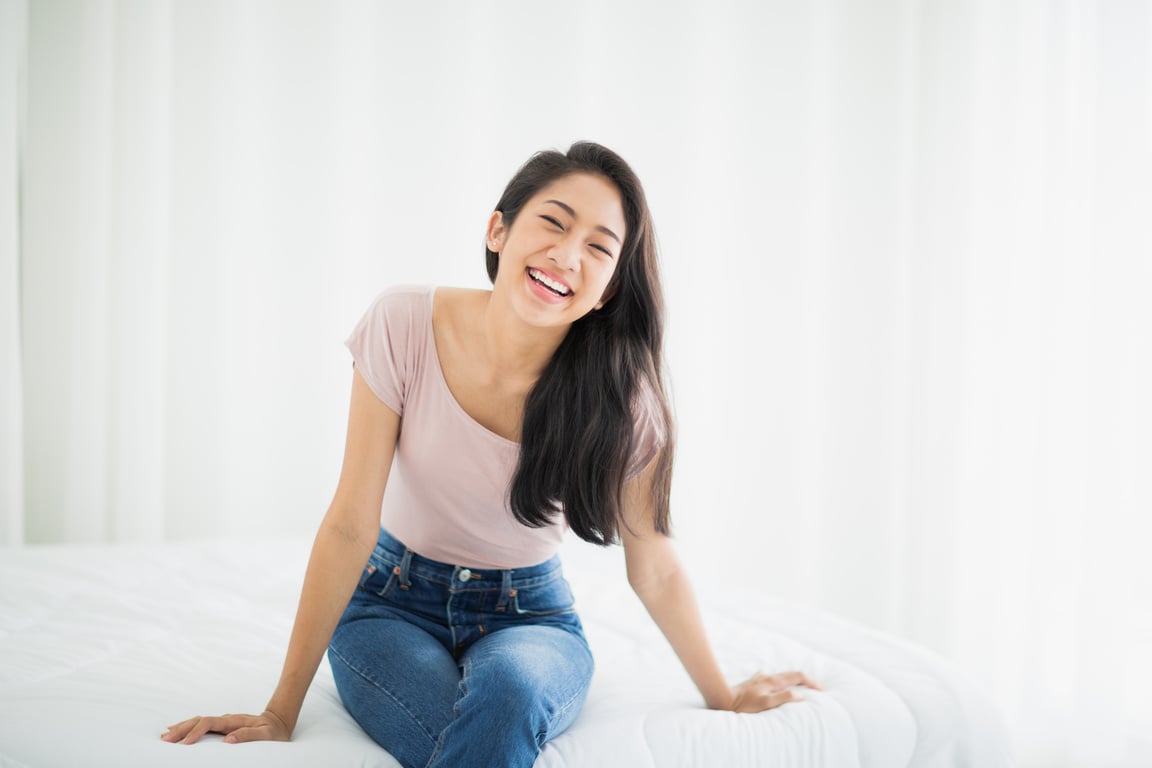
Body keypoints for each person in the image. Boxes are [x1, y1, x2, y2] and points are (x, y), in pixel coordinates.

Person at [161, 142, 822, 767]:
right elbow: (349, 522)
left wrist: (725, 693)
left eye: (598, 247)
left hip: (531, 616)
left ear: (610, 291)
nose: (568, 255)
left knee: (508, 694)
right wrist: (280, 711)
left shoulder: (622, 398)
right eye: (553, 224)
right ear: (497, 231)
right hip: (390, 604)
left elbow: (653, 564)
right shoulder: (403, 323)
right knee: (476, 728)